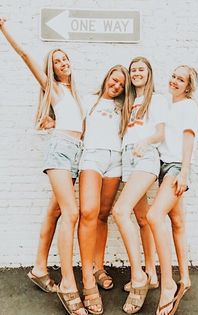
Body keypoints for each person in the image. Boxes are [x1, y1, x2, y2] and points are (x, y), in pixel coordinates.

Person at [0, 18, 87, 315]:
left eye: (65, 59)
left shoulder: (74, 94)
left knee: (55, 211)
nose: (62, 63)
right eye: (57, 61)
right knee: (71, 213)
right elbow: (25, 56)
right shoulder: (53, 88)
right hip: (60, 152)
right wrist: (4, 30)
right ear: (51, 68)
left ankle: (39, 268)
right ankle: (67, 282)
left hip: (75, 154)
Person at [112, 56, 168, 314]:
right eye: (133, 69)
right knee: (142, 218)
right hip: (127, 158)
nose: (136, 73)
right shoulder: (128, 102)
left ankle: (138, 277)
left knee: (120, 211)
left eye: (140, 69)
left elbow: (160, 132)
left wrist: (145, 142)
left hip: (145, 157)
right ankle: (151, 272)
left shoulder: (154, 99)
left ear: (149, 73)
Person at [146, 65, 198, 315]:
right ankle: (185, 279)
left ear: (188, 86)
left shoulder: (189, 107)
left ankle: (168, 283)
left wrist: (184, 173)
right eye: (173, 76)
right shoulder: (167, 104)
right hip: (164, 165)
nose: (175, 81)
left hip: (176, 167)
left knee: (153, 216)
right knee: (177, 222)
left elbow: (188, 138)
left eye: (181, 79)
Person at [77, 65, 131, 315]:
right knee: (88, 212)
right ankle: (87, 277)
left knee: (102, 215)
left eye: (121, 83)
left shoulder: (124, 106)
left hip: (116, 160)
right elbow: (73, 123)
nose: (117, 85)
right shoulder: (89, 100)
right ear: (106, 76)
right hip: (92, 157)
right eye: (114, 79)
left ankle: (98, 267)